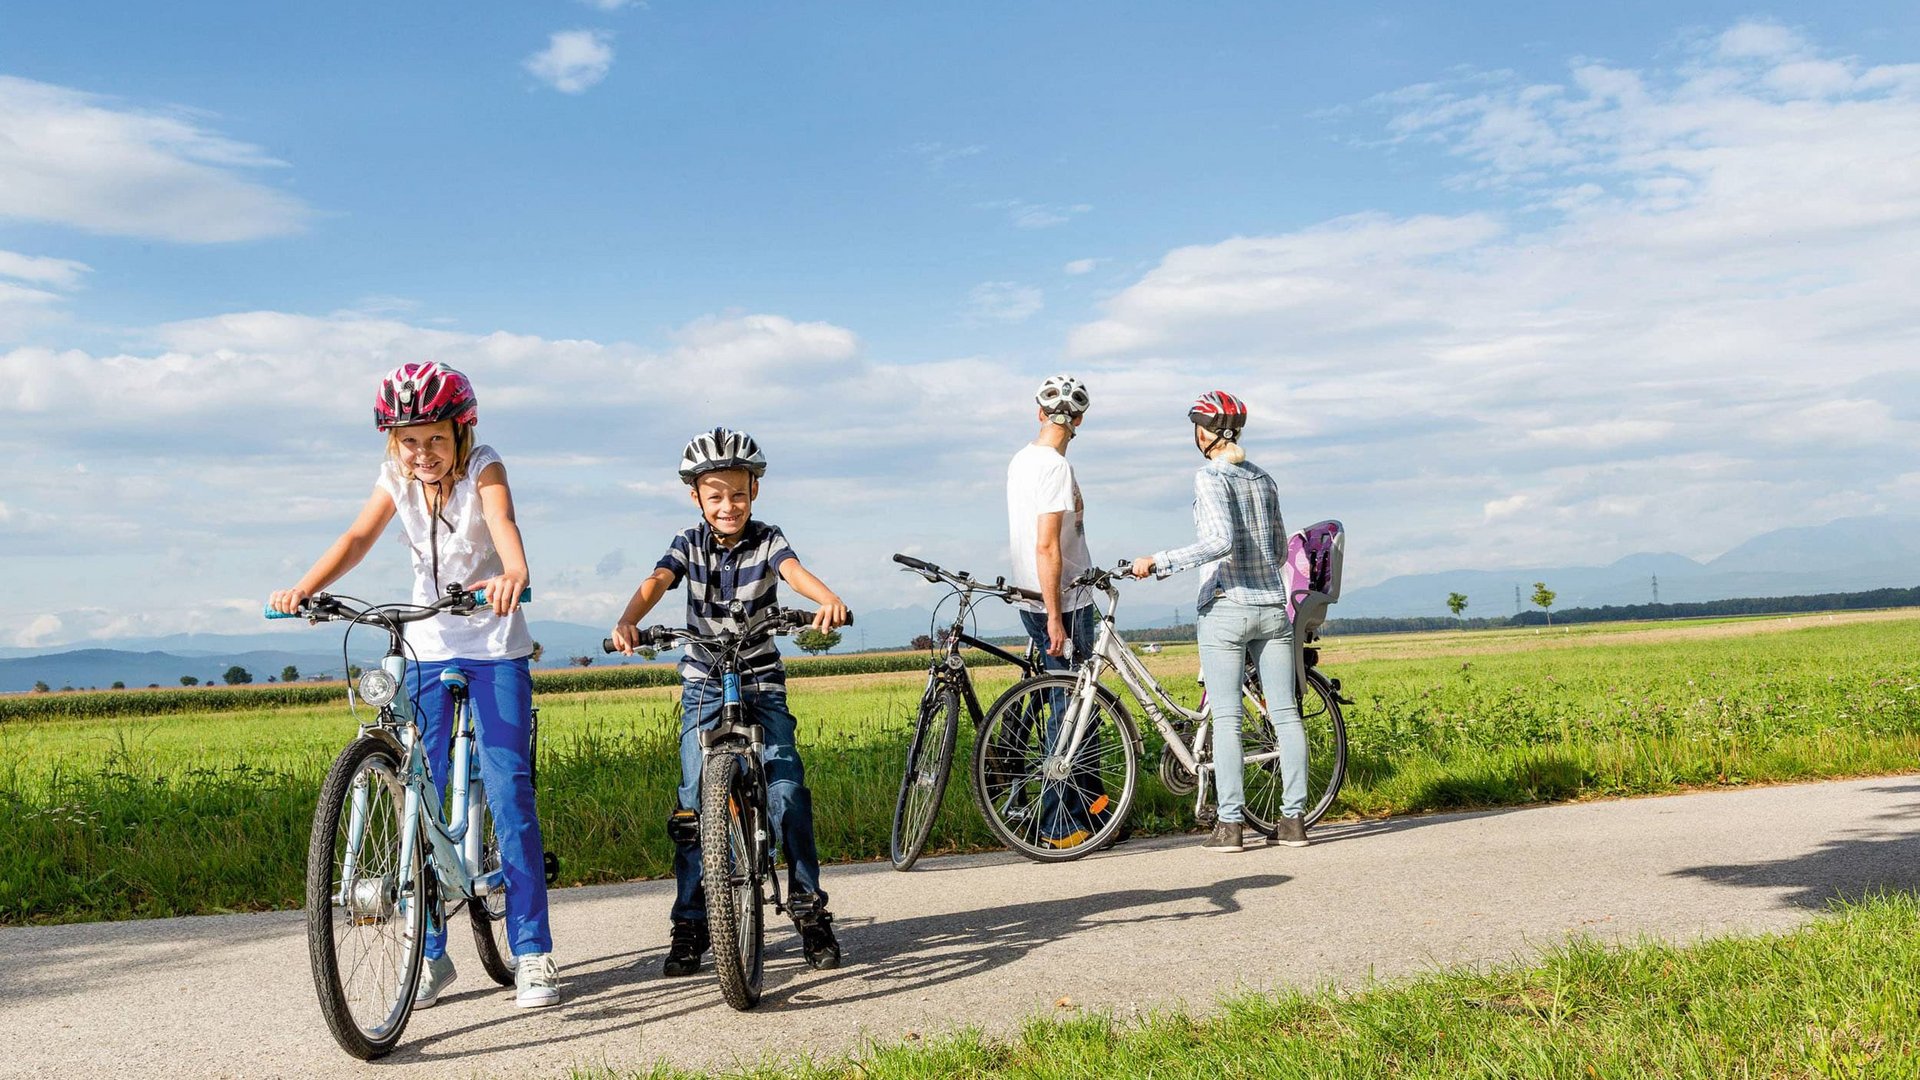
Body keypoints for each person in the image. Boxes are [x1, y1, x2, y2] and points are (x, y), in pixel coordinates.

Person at [268, 361, 560, 1007]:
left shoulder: (485, 466)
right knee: (415, 799)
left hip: (492, 644)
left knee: (509, 789)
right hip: (424, 644)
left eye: (434, 438)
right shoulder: (394, 479)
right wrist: (304, 588)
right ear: (392, 443)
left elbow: (503, 522)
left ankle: (533, 952)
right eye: (408, 440)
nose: (422, 453)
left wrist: (513, 571)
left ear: (461, 430)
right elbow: (356, 536)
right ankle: (427, 954)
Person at [610, 427, 851, 976]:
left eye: (738, 494)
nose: (728, 505)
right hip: (703, 681)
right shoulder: (686, 542)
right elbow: (657, 581)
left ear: (755, 492)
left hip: (760, 680)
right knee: (695, 802)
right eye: (715, 495)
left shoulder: (768, 539)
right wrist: (630, 619)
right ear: (695, 496)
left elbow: (792, 572)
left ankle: (810, 910)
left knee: (787, 788)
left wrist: (827, 599)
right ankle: (692, 923)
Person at [1129, 390, 1310, 853]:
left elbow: (1218, 542)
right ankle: (1294, 822)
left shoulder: (1210, 477)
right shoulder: (1265, 480)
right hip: (1272, 605)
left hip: (1227, 606)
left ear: (1205, 432)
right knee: (1285, 714)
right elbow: (1275, 550)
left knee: (1227, 718)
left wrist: (1160, 561)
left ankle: (1230, 826)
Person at [1005, 375, 1110, 849]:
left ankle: (1096, 809)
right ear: (1081, 421)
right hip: (1063, 602)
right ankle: (1056, 824)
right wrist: (1055, 616)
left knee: (1070, 706)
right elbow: (1047, 545)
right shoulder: (1054, 469)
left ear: (1039, 413)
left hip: (1035, 596)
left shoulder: (1020, 461)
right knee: (1070, 712)